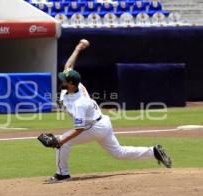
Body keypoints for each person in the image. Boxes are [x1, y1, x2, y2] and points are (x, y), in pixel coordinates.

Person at [50, 40, 172, 181]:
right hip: (102, 123)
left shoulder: (80, 103)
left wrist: (60, 140)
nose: (62, 81)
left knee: (63, 142)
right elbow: (68, 66)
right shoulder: (74, 86)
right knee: (119, 153)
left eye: (64, 80)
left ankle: (62, 174)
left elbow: (79, 129)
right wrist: (78, 48)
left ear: (71, 84)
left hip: (94, 127)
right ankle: (153, 151)